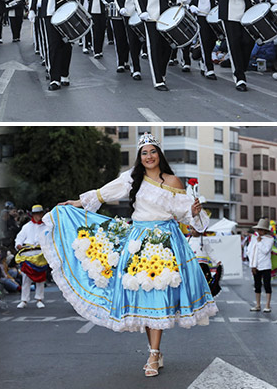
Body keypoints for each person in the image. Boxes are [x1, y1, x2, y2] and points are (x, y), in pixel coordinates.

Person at [41, 134, 217, 377]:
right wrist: (78, 203)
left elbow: (189, 218)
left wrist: (194, 211)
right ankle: (154, 350)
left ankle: (154, 354)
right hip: (137, 242)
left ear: (159, 154)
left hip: (165, 242)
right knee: (144, 296)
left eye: (152, 152)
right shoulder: (133, 178)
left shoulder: (174, 181)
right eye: (144, 153)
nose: (149, 157)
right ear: (140, 157)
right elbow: (106, 192)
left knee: (159, 295)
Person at [15, 205, 48, 309]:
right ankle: (24, 300)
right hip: (28, 255)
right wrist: (19, 245)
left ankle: (39, 299)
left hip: (40, 255)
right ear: (33, 215)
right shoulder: (27, 227)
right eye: (37, 213)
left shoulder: (47, 226)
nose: (39, 215)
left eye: (40, 213)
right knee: (26, 279)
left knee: (41, 279)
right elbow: (19, 238)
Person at [247, 221, 274, 313]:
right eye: (258, 229)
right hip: (256, 266)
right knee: (257, 285)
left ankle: (267, 305)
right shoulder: (254, 238)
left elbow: (265, 251)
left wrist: (259, 242)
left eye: (261, 230)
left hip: (265, 265)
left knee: (267, 285)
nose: (259, 231)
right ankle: (257, 305)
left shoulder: (269, 239)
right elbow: (249, 251)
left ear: (265, 230)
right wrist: (252, 265)